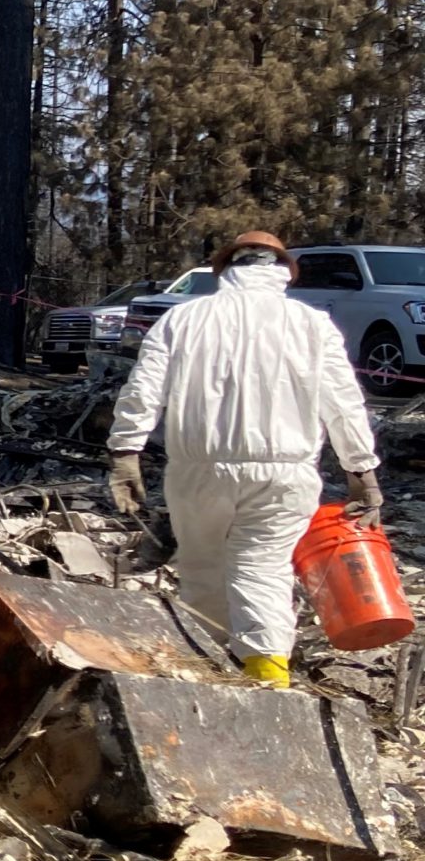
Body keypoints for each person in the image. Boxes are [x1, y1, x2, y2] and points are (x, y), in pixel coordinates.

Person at [108, 229, 383, 686]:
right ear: (283, 273)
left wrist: (125, 451)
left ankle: (210, 672)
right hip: (285, 474)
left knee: (201, 569)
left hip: (198, 471)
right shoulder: (312, 324)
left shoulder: (184, 319)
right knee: (263, 569)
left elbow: (143, 389)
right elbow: (344, 403)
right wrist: (362, 471)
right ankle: (267, 678)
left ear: (224, 270)